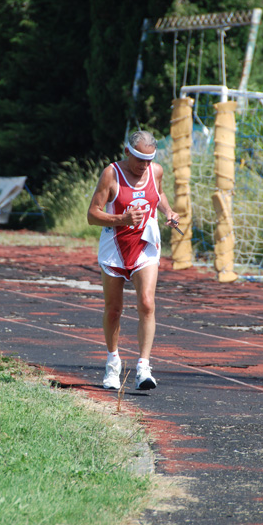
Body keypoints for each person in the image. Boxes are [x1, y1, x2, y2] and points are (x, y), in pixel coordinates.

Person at [87, 130, 180, 391]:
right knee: (114, 309)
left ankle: (143, 367)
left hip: (145, 244)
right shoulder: (111, 173)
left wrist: (169, 212)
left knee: (147, 303)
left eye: (149, 160)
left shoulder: (156, 171)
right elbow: (92, 215)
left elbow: (158, 194)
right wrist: (121, 220)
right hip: (114, 247)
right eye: (139, 159)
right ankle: (113, 363)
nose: (144, 165)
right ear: (127, 152)